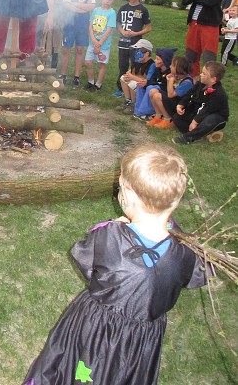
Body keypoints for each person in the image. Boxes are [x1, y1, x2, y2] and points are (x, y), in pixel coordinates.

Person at [22, 144, 207, 385]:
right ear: (175, 200)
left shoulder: (110, 236)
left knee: (84, 369)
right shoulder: (186, 249)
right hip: (143, 340)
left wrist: (117, 227)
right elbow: (195, 275)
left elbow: (87, 264)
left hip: (98, 329)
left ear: (128, 196)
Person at [181, 0, 229, 77]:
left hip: (209, 24)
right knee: (190, 56)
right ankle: (192, 83)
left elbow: (210, 1)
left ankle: (208, 86)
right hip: (194, 23)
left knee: (209, 58)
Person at [171, 60, 229, 145]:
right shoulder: (200, 84)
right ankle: (200, 133)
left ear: (213, 79)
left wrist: (195, 122)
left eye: (204, 74)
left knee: (210, 120)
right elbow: (189, 94)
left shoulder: (218, 94)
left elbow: (207, 110)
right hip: (199, 111)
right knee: (177, 117)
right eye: (202, 72)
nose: (201, 75)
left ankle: (188, 138)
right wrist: (181, 104)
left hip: (214, 116)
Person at [113, 0, 151, 97]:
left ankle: (134, 88)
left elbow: (148, 28)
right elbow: (118, 23)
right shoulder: (123, 8)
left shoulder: (143, 10)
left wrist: (136, 33)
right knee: (122, 66)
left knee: (135, 66)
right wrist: (122, 31)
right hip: (123, 43)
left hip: (136, 44)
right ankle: (121, 88)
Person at [59, 0, 96, 87]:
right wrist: (83, 7)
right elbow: (66, 4)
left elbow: (92, 6)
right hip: (69, 23)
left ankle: (76, 77)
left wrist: (76, 5)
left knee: (80, 49)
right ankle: (63, 75)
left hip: (83, 24)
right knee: (66, 49)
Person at [146, 55, 194, 128]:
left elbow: (170, 95)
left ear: (179, 68)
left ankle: (168, 119)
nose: (170, 66)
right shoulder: (177, 77)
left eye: (172, 65)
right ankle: (158, 116)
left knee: (157, 96)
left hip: (180, 105)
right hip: (174, 100)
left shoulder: (187, 82)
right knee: (152, 91)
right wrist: (169, 80)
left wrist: (170, 81)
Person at [84, 0, 116, 91]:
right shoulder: (96, 10)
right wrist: (93, 39)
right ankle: (90, 81)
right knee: (88, 62)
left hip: (104, 45)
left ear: (113, 0)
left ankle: (98, 84)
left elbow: (109, 30)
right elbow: (90, 25)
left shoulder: (112, 13)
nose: (107, 1)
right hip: (92, 42)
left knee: (101, 64)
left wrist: (99, 43)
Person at [132, 47, 177, 120]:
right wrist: (146, 83)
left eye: (158, 59)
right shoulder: (157, 69)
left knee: (151, 88)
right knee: (140, 85)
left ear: (165, 61)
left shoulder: (170, 73)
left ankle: (147, 112)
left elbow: (166, 87)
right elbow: (152, 80)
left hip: (165, 95)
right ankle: (138, 111)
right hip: (157, 90)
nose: (155, 60)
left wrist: (150, 84)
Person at [117, 39, 154, 115]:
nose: (136, 53)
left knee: (133, 84)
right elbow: (129, 72)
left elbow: (148, 81)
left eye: (138, 51)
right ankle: (128, 100)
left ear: (147, 53)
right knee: (123, 78)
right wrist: (127, 75)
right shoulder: (138, 61)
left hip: (145, 88)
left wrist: (132, 77)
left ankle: (134, 104)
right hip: (137, 83)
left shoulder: (152, 65)